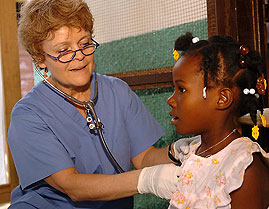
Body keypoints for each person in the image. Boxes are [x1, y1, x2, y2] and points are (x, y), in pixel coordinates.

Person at [7, 0, 190, 208]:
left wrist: (176, 151)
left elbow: (144, 158)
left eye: (85, 44)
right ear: (40, 58)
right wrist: (146, 180)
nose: (80, 57)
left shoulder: (117, 91)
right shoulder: (29, 115)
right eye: (64, 50)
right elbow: (72, 186)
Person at [167, 33, 269, 209]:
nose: (171, 100)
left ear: (222, 99)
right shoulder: (194, 151)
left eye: (181, 89)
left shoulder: (243, 170)